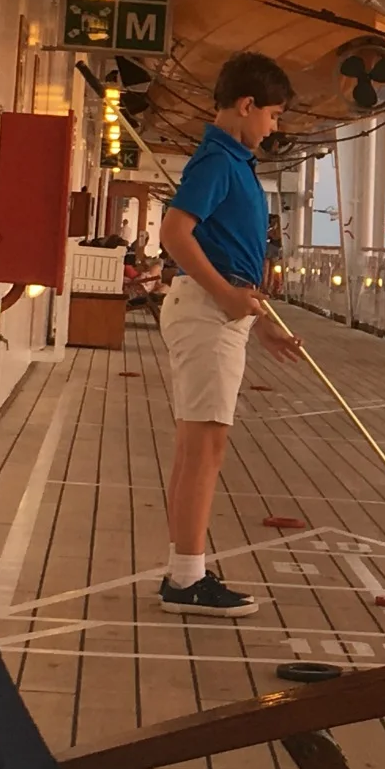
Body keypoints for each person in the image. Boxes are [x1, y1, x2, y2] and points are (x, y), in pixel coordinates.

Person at [156, 52, 302, 616]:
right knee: (205, 447)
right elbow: (174, 233)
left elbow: (230, 256)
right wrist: (224, 297)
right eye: (273, 114)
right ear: (246, 106)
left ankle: (183, 570)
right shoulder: (218, 162)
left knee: (197, 447)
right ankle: (187, 581)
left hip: (220, 313)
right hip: (205, 313)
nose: (275, 126)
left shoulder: (234, 163)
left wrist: (260, 324)